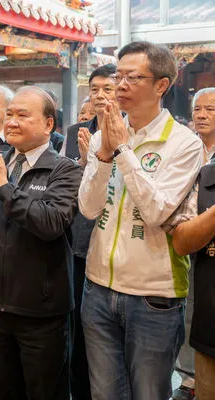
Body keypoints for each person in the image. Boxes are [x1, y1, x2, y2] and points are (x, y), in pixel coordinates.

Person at [78, 41, 204, 400]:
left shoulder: (184, 143)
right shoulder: (105, 133)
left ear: (161, 86)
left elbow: (157, 212)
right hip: (97, 287)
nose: (120, 86)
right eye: (118, 76)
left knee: (149, 393)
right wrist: (104, 155)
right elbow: (88, 208)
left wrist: (122, 151)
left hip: (153, 296)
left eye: (133, 78)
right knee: (104, 393)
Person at [0, 86, 82, 400]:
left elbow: (49, 223)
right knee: (1, 391)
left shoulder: (65, 169)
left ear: (48, 125)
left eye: (22, 115)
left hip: (42, 312)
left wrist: (1, 185)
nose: (11, 121)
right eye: (10, 113)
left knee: (45, 392)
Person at [61, 63, 117, 400]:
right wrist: (84, 162)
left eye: (107, 89)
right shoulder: (77, 131)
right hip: (80, 239)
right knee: (79, 329)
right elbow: (70, 182)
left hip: (112, 237)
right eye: (94, 89)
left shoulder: (127, 131)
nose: (99, 95)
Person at [166, 89, 215, 398]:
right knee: (191, 309)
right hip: (186, 238)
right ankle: (187, 374)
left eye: (210, 108)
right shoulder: (188, 148)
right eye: (198, 108)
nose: (202, 114)